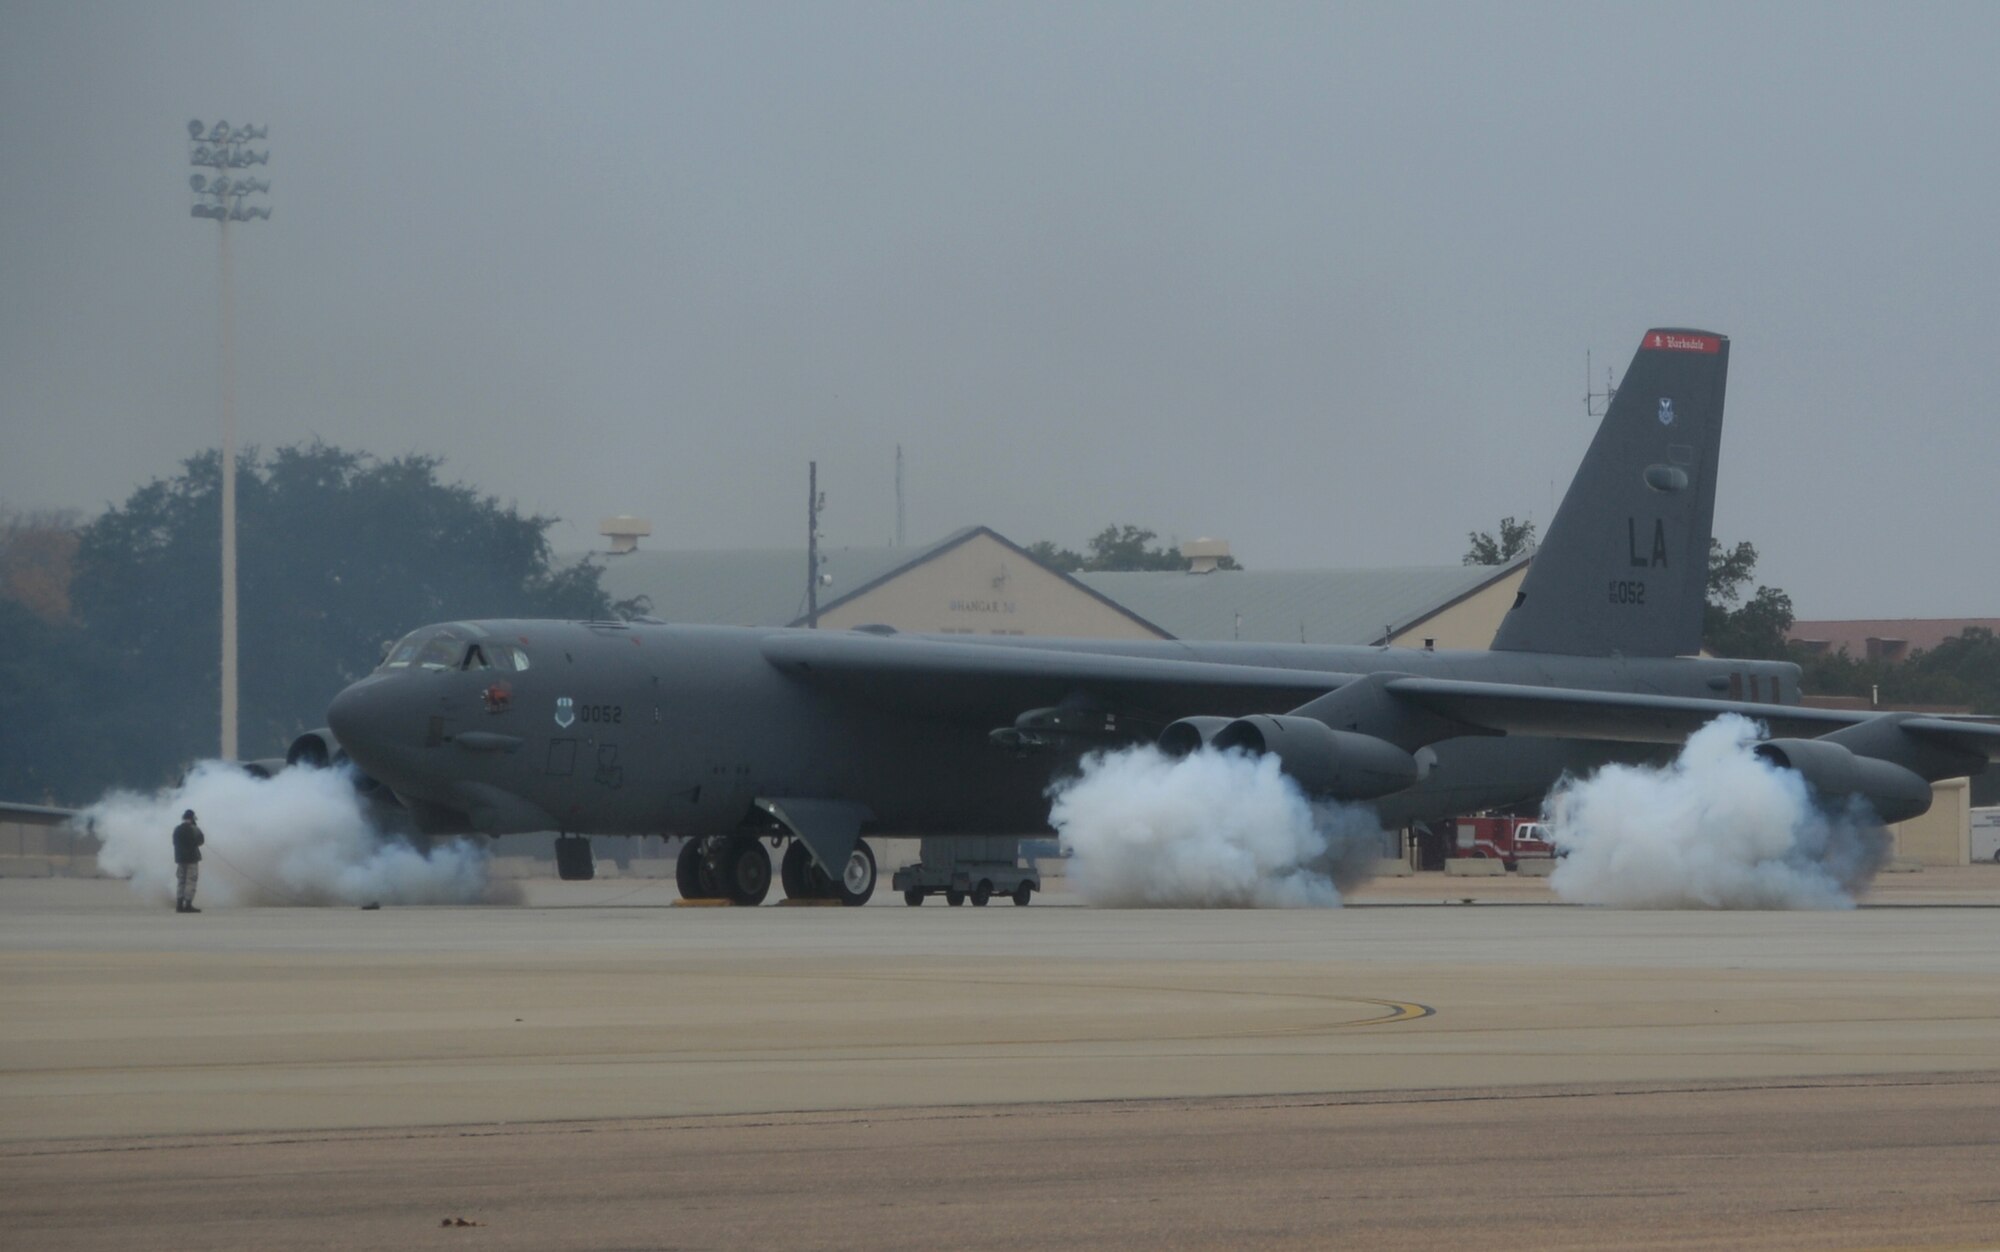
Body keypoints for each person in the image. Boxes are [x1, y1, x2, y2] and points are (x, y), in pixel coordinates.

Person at [172, 809, 205, 913]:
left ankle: (179, 904)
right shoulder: (194, 829)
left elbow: (174, 843)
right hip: (192, 859)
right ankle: (188, 904)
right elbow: (201, 841)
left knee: (181, 881)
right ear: (192, 819)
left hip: (180, 859)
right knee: (190, 881)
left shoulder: (177, 829)